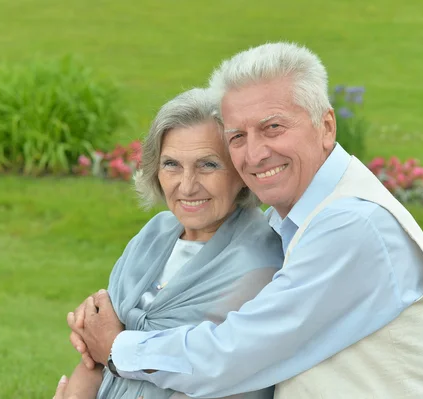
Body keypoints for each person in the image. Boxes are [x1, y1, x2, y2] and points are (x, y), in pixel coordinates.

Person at [68, 42, 423, 398]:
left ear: (326, 127)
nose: (254, 155)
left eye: (272, 127)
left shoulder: (354, 224)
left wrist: (118, 347)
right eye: (237, 136)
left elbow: (236, 354)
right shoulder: (289, 221)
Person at [56, 88, 281, 399]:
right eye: (172, 164)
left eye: (208, 165)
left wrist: (110, 342)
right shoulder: (155, 234)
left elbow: (217, 376)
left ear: (240, 170)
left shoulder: (259, 263)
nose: (187, 186)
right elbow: (94, 357)